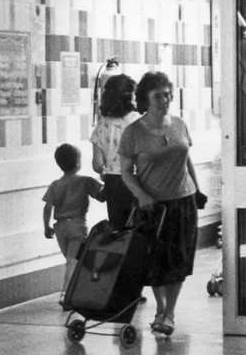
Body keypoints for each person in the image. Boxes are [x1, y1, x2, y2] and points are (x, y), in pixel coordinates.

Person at [118, 71, 204, 337]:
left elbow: (186, 158)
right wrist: (141, 196)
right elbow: (125, 171)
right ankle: (160, 306)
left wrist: (197, 188)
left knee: (179, 259)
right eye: (158, 96)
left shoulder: (179, 124)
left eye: (167, 94)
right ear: (146, 98)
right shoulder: (133, 132)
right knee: (156, 262)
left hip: (183, 200)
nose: (164, 100)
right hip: (153, 205)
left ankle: (170, 313)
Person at [43, 143, 105, 297]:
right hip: (77, 225)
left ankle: (75, 290)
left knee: (71, 260)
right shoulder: (85, 181)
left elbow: (47, 208)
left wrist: (46, 227)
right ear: (78, 163)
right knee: (73, 261)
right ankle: (66, 294)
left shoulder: (55, 185)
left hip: (60, 228)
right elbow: (102, 196)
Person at [90, 72, 139, 227]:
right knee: (139, 228)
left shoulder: (101, 126)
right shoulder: (138, 122)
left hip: (113, 183)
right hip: (138, 180)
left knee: (118, 229)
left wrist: (105, 172)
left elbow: (97, 165)